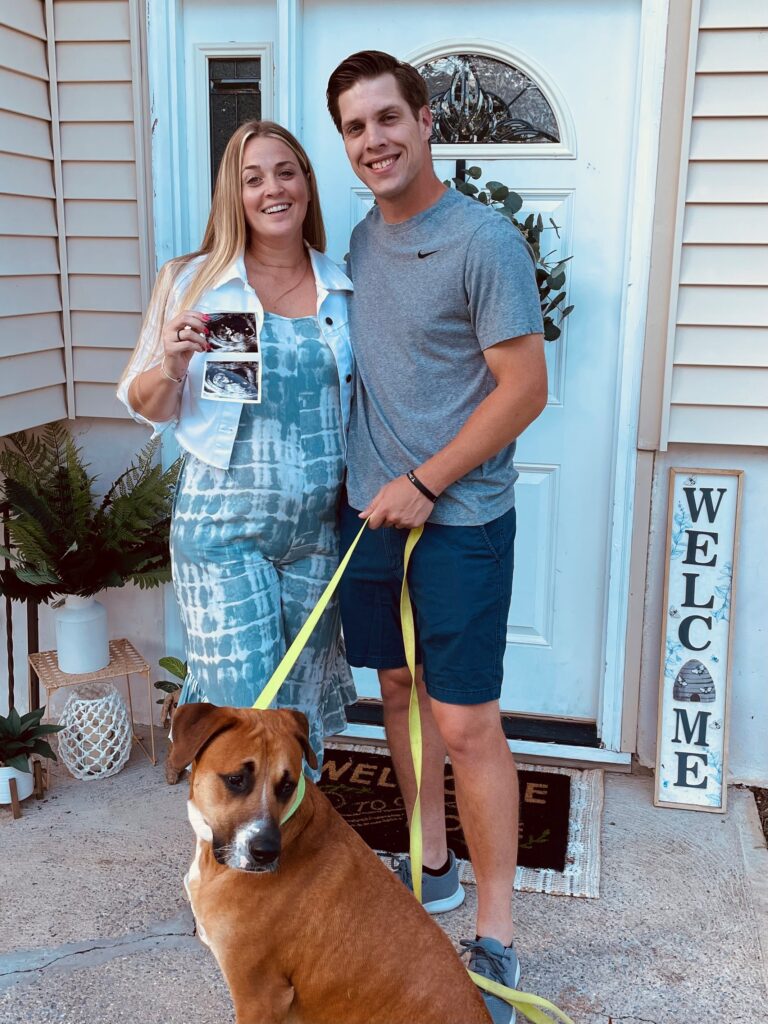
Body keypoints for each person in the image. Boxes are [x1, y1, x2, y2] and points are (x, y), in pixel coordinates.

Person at [326, 51, 547, 1023]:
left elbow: (526, 390)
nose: (372, 139)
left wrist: (426, 482)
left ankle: (493, 936)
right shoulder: (362, 244)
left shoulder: (483, 241)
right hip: (371, 513)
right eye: (354, 127)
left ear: (424, 123)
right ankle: (433, 866)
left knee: (467, 725)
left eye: (387, 118)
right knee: (400, 694)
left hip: (457, 519)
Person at [118, 121, 356, 773]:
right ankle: (232, 863)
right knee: (243, 718)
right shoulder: (198, 282)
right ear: (234, 195)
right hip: (223, 531)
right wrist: (171, 360)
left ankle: (289, 859)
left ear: (307, 181)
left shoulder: (343, 288)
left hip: (315, 537)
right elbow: (148, 406)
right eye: (253, 178)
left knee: (294, 721)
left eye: (286, 171)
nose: (272, 189)